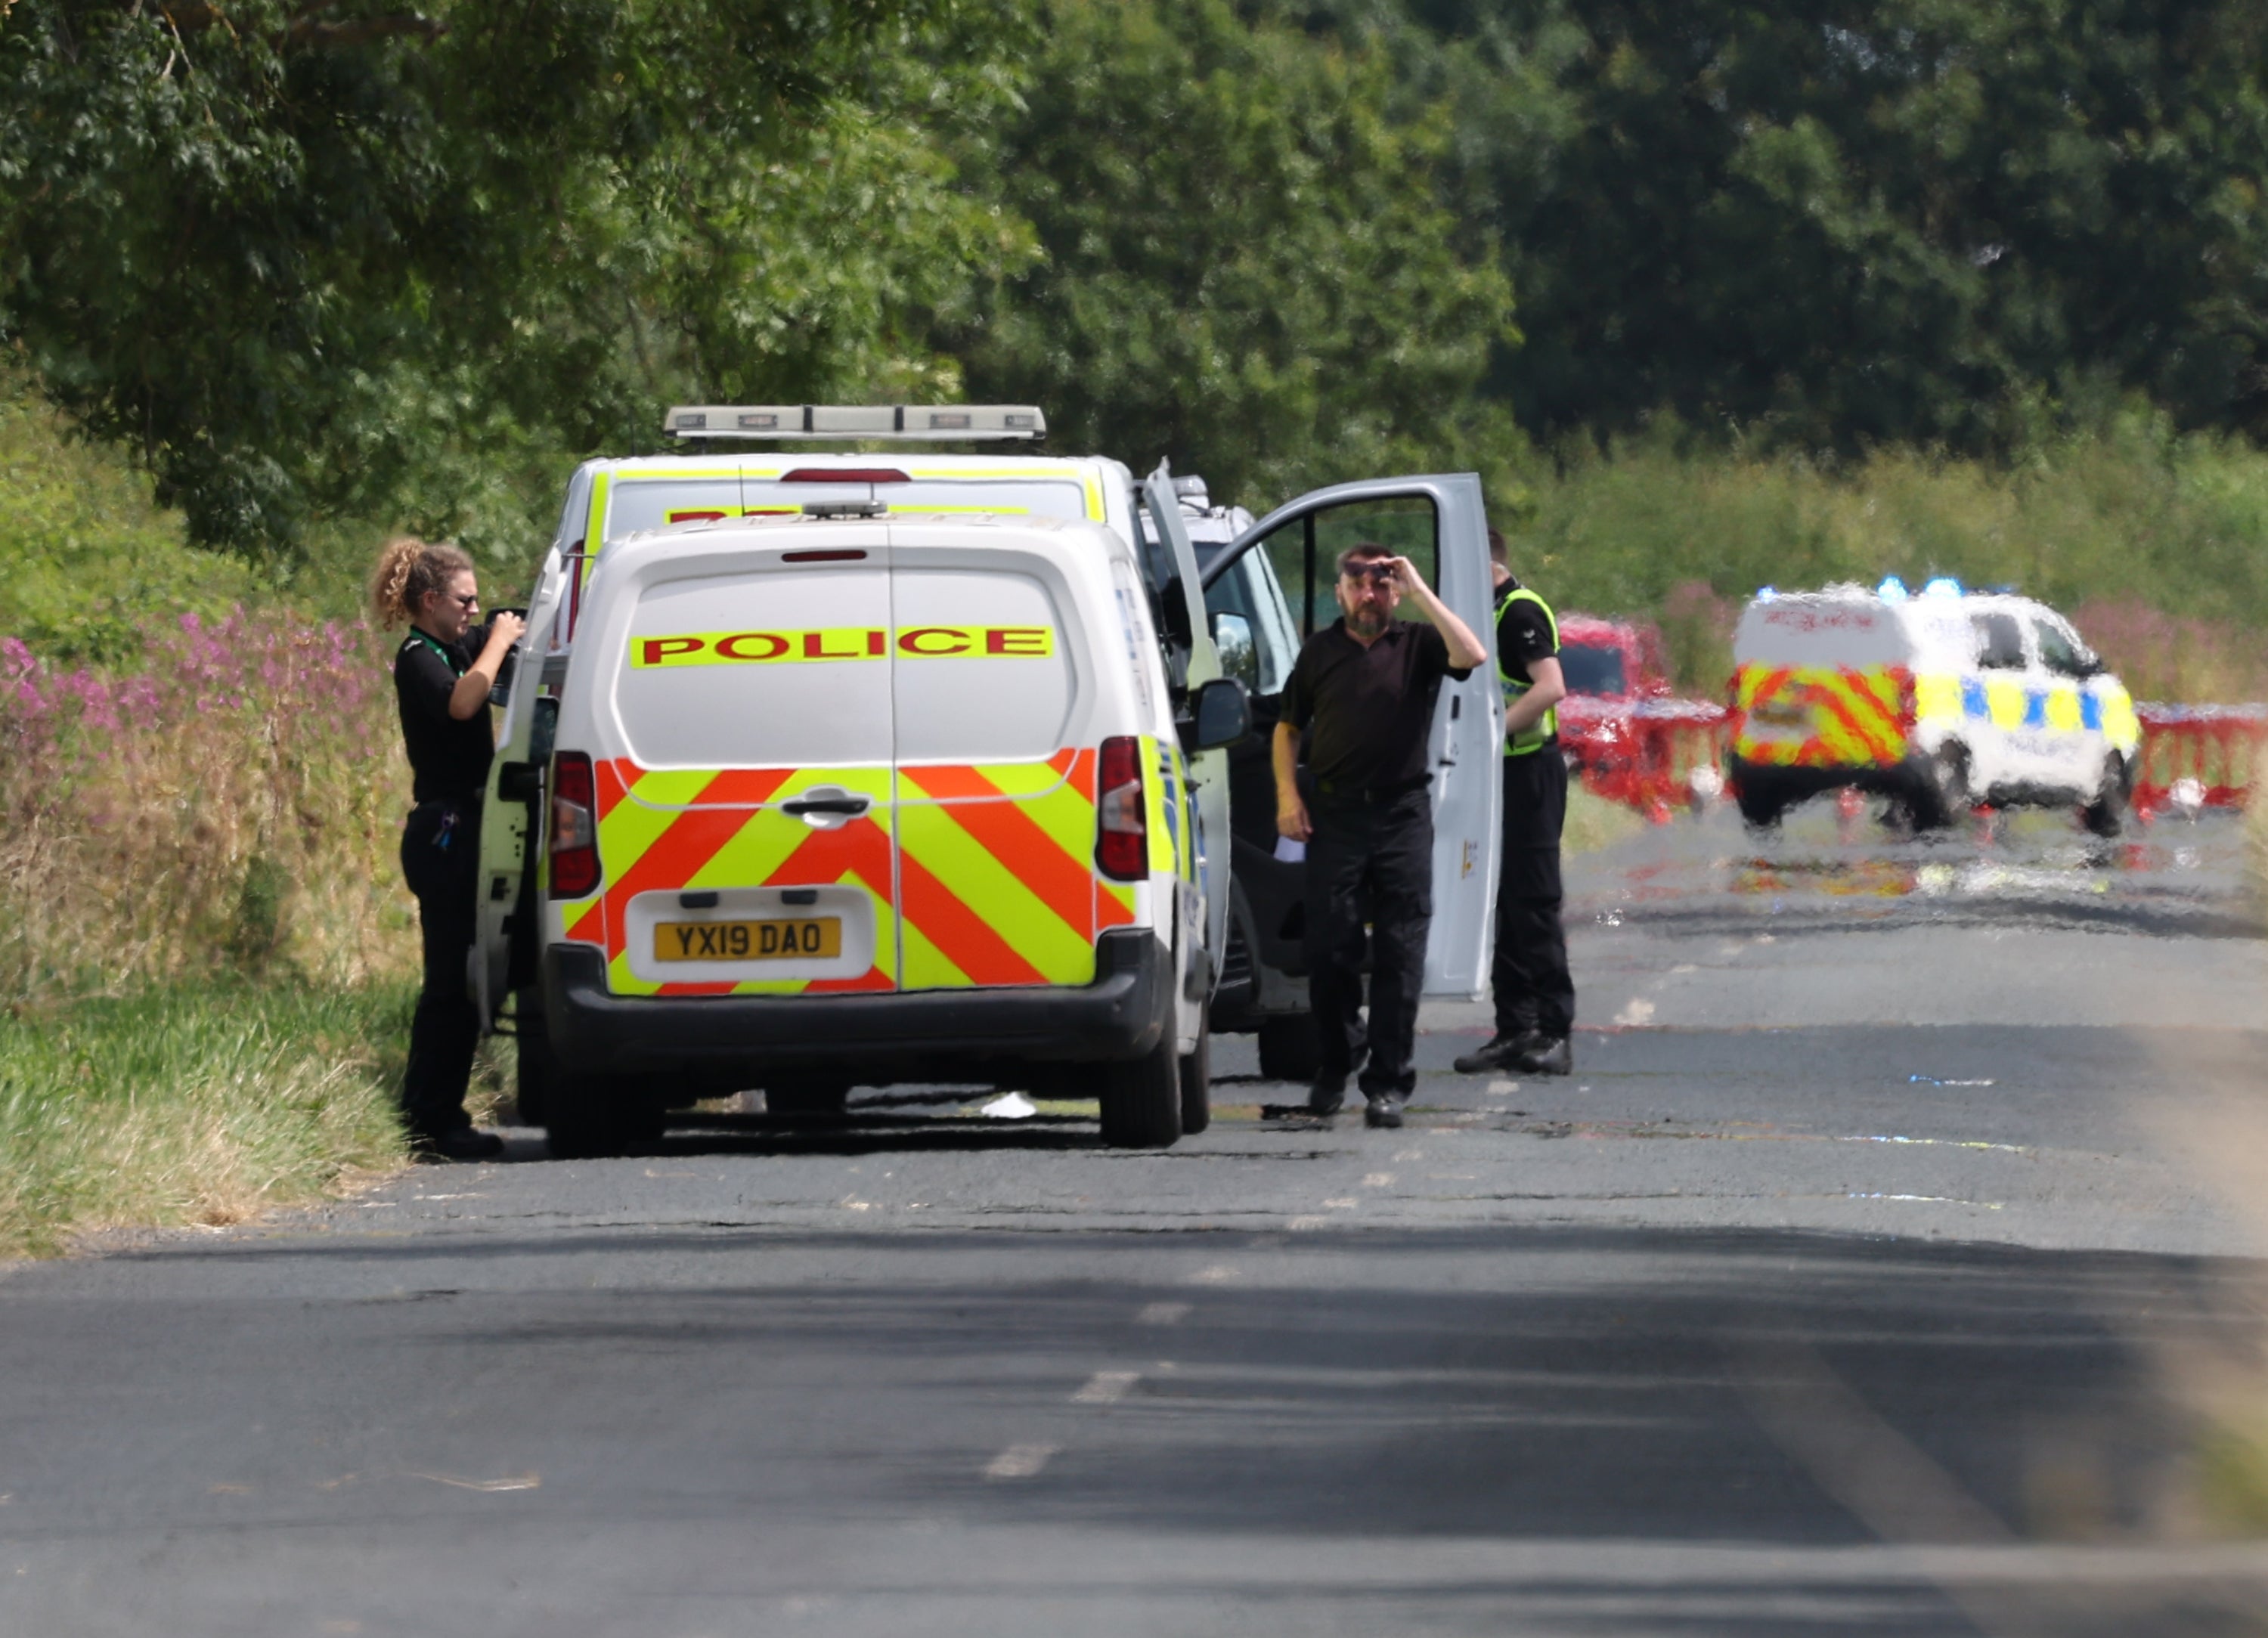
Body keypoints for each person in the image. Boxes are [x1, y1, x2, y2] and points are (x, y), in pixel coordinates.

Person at [1275, 543, 1487, 1129]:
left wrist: (1419, 586)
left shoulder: (1418, 644)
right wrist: (1286, 797)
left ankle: (1389, 1084)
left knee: (1400, 948)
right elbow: (1287, 728)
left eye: (1381, 584)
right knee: (1330, 946)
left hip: (1401, 814)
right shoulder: (1319, 651)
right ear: (1339, 591)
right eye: (1358, 583)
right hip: (1336, 815)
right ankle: (1337, 1062)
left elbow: (1472, 653)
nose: (1369, 594)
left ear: (1394, 593)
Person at [369, 537, 525, 1161]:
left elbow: (486, 655)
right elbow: (465, 701)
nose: (473, 609)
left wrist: (508, 628)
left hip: (466, 829)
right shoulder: (417, 656)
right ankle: (431, 1117)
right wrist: (500, 641)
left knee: (464, 982)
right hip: (445, 837)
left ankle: (437, 1114)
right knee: (447, 985)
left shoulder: (451, 643)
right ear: (430, 600)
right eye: (464, 600)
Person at [1454, 530, 1574, 1076]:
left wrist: (1490, 733)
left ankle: (1554, 1031)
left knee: (1535, 902)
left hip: (1529, 769)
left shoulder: (1518, 611)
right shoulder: (1485, 612)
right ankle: (1514, 1028)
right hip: (1500, 772)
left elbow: (1550, 686)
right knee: (1500, 902)